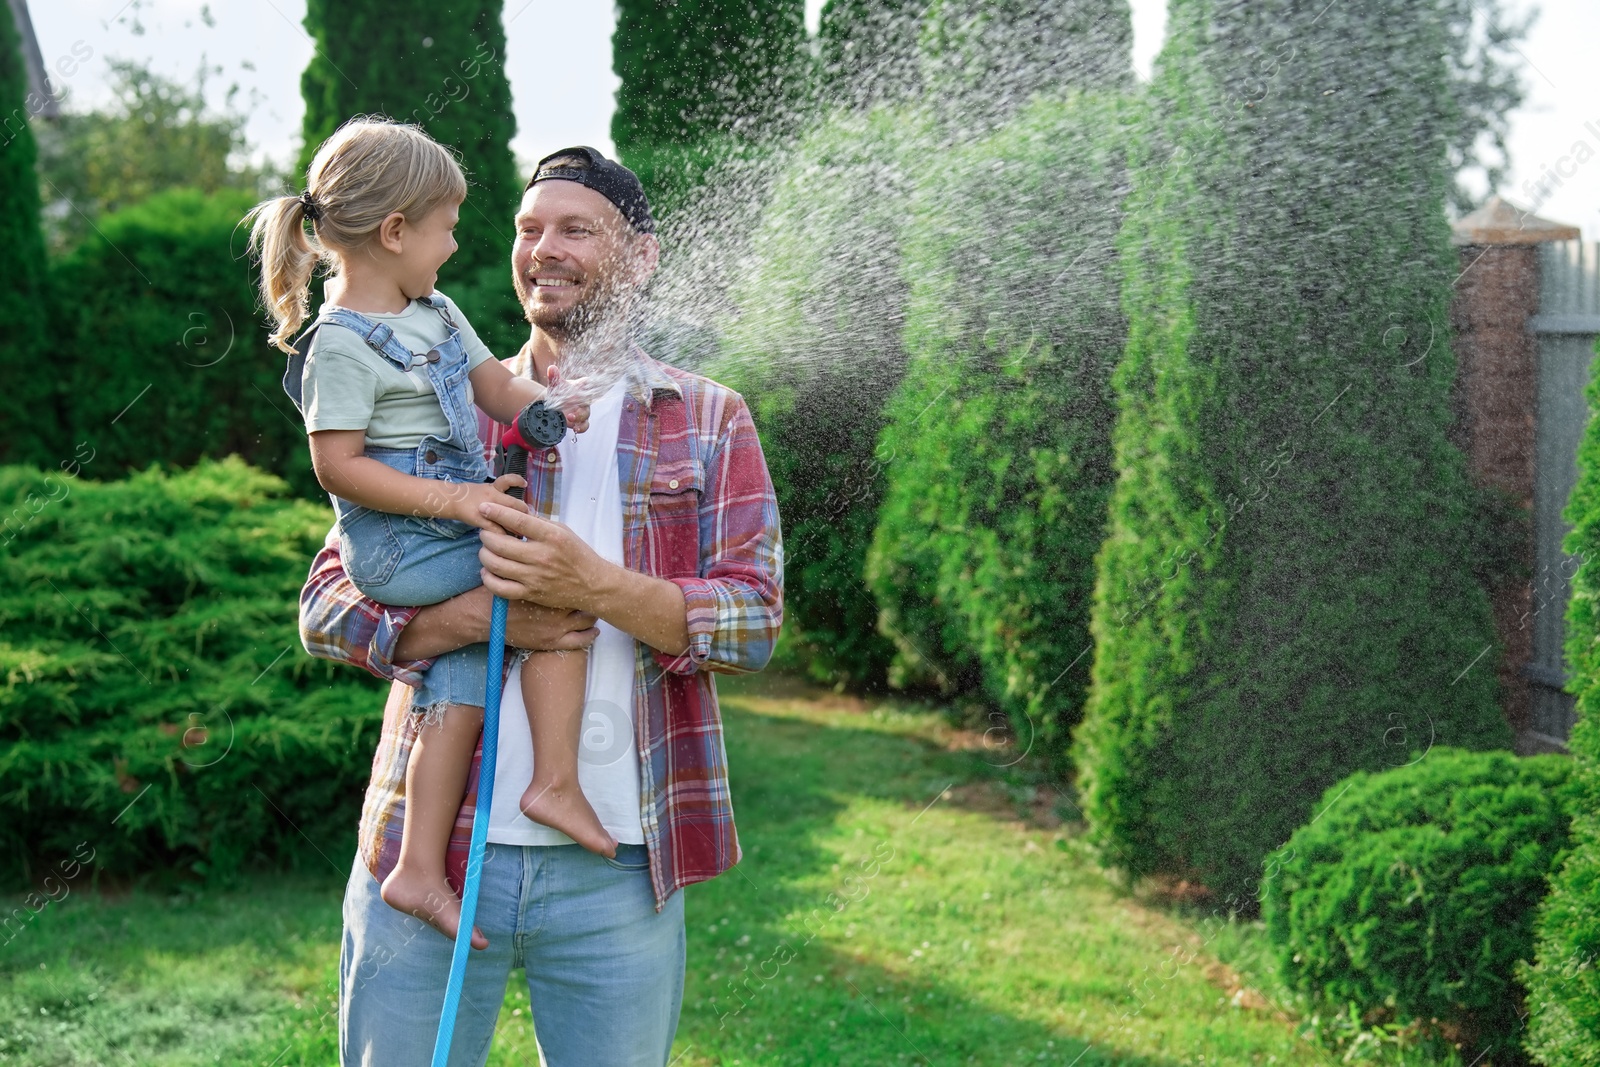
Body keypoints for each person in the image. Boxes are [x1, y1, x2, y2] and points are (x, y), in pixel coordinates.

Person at [297, 145, 784, 1067]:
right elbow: (327, 604)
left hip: (620, 866)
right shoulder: (440, 393)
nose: (541, 249)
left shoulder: (712, 418)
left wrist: (593, 588)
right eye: (528, 229)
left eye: (574, 229)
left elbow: (754, 620)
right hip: (429, 849)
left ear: (641, 256)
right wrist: (483, 621)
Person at [247, 119, 614, 957]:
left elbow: (494, 387)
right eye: (447, 225)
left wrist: (543, 410)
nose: (454, 245)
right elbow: (338, 467)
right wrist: (459, 502)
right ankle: (557, 782)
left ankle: (417, 868)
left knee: (458, 676)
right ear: (395, 231)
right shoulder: (339, 343)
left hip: (440, 525)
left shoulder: (438, 313)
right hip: (396, 548)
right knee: (547, 577)